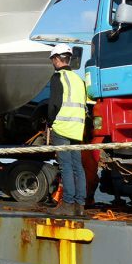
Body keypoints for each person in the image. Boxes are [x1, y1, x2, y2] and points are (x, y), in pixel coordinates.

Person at [47, 43, 87, 217]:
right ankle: (80, 206)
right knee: (78, 167)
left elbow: (53, 104)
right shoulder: (79, 80)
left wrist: (49, 123)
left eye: (52, 60)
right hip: (77, 129)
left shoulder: (58, 78)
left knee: (66, 167)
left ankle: (68, 204)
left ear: (57, 59)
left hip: (62, 128)